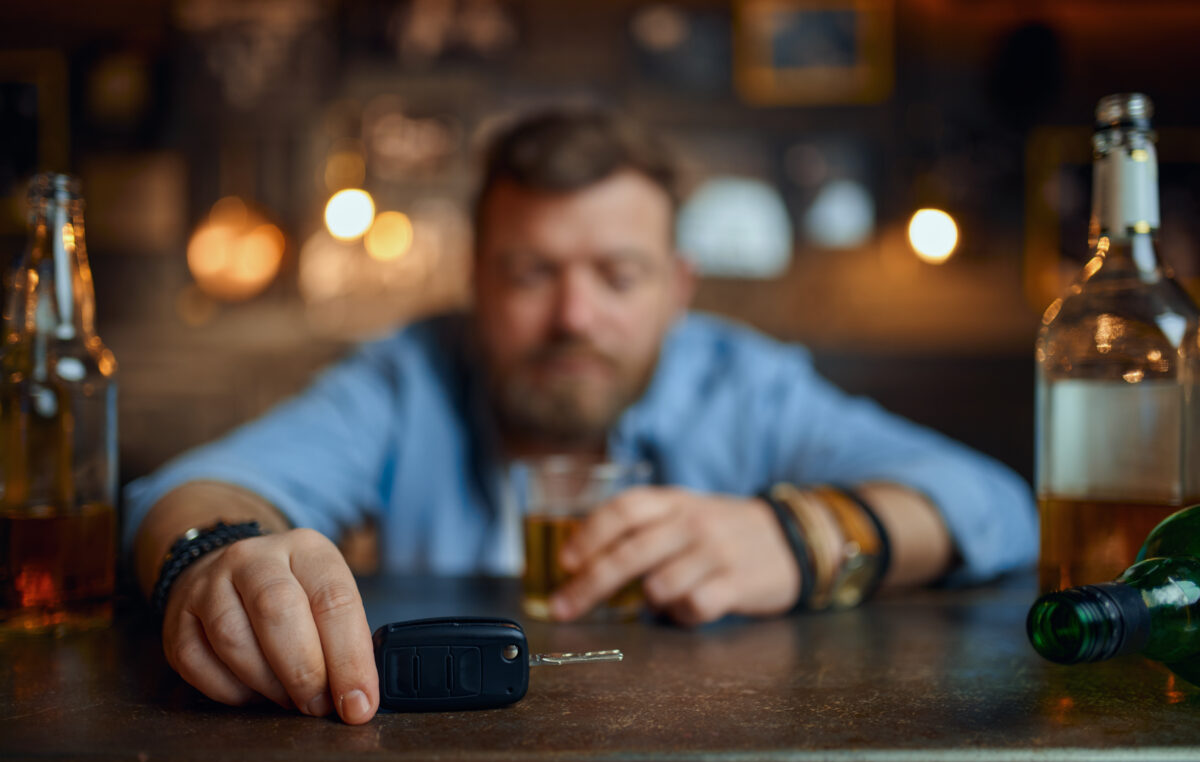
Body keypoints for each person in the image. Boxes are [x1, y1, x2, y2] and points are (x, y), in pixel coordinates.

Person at [125, 108, 1038, 726]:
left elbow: (991, 502)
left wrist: (802, 535)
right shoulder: (406, 378)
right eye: (530, 273)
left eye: (618, 274)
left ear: (677, 288)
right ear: (476, 281)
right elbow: (187, 491)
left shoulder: (744, 382)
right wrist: (214, 559)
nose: (573, 317)